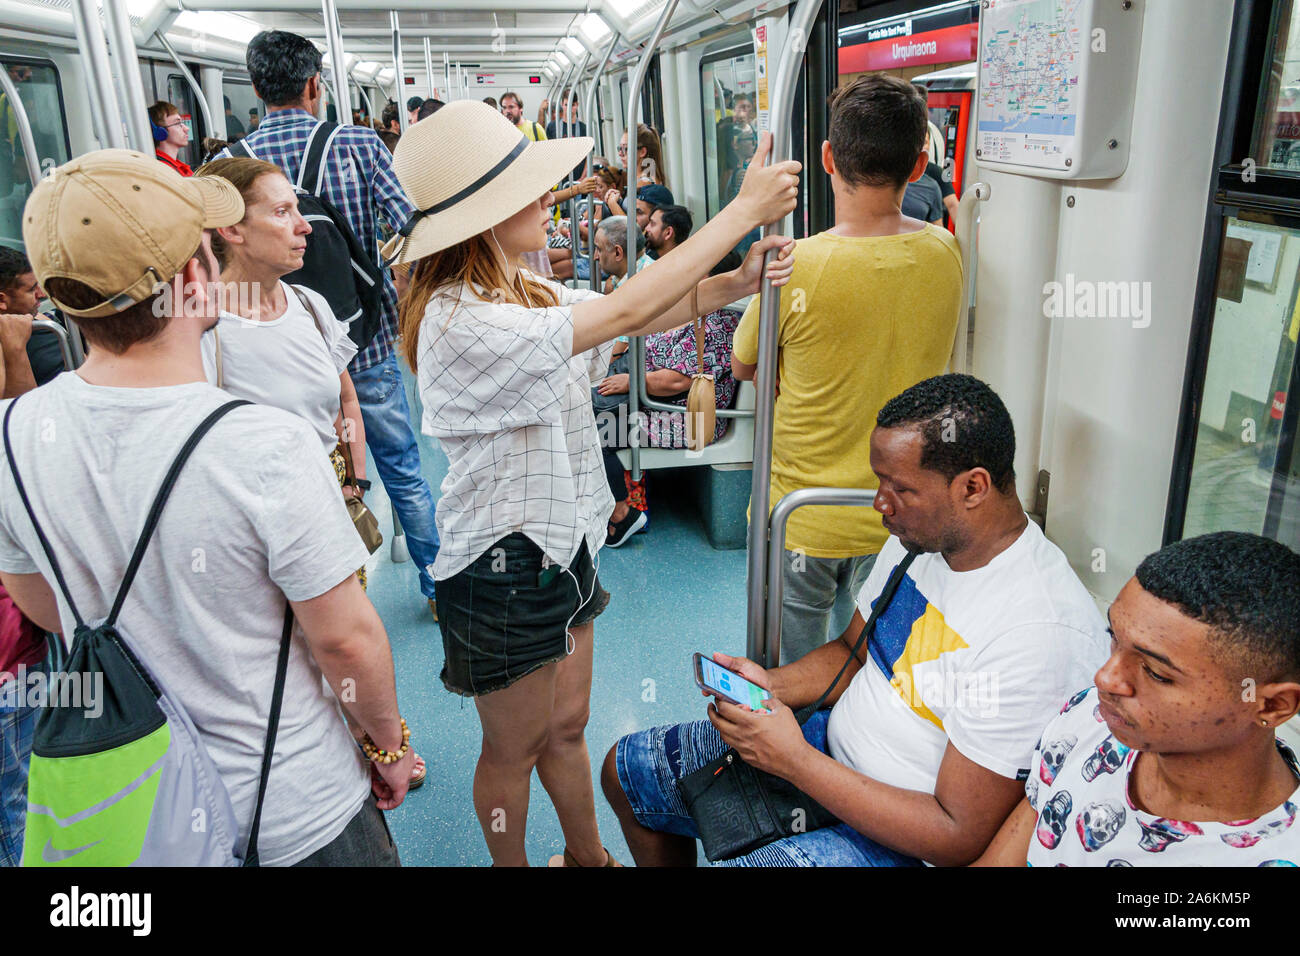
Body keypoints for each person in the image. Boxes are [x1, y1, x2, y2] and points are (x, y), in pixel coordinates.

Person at [384, 101, 799, 867]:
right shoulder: (458, 318)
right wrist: (740, 209)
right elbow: (626, 305)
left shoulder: (519, 285)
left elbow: (631, 316)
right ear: (483, 217)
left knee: (567, 728)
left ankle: (589, 860)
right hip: (501, 564)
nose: (548, 201)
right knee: (513, 750)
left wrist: (730, 281)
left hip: (565, 540)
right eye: (531, 192)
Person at [0, 148, 411, 865]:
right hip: (290, 807)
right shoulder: (263, 442)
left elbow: (40, 603)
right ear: (195, 275)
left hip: (141, 814)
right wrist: (387, 744)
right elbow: (345, 641)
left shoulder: (13, 433)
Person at [603, 374, 1109, 867]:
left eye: (900, 488)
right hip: (827, 752)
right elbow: (852, 651)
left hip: (903, 837)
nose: (880, 504)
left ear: (973, 488)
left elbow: (954, 834)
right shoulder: (920, 542)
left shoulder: (1040, 633)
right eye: (880, 481)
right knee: (626, 770)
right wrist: (771, 686)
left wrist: (795, 762)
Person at [731, 73, 963, 666]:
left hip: (800, 516)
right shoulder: (944, 253)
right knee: (867, 672)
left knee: (791, 675)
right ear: (918, 167)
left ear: (828, 158)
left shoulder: (794, 264)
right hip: (898, 513)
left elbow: (745, 363)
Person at [219, 29, 442, 614]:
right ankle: (437, 584)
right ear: (315, 84)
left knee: (281, 479)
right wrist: (377, 270)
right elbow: (410, 229)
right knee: (402, 467)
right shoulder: (359, 144)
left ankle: (308, 600)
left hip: (260, 360)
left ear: (256, 87)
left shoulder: (222, 167)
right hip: (362, 343)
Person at [976, 532, 1300, 867]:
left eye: (1157, 673)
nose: (1105, 678)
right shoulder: (1088, 722)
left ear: (1272, 705)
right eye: (1113, 638)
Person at [595, 250, 745, 547]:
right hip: (650, 396)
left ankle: (622, 512)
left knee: (597, 428)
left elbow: (676, 381)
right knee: (586, 407)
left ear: (706, 278)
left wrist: (630, 382)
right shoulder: (696, 308)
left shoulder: (719, 324)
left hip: (681, 417)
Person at [0, 247, 62, 388]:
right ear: (1, 301)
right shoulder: (39, 341)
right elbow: (22, 407)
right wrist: (16, 350)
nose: (41, 294)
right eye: (31, 289)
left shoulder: (43, 322)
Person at [148, 100, 192, 176]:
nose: (186, 128)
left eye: (182, 123)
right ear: (160, 132)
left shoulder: (179, 167)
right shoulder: (163, 171)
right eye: (178, 123)